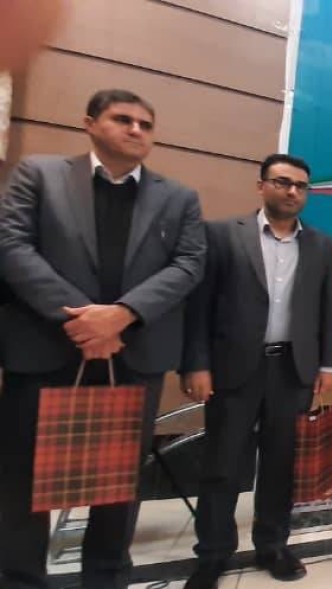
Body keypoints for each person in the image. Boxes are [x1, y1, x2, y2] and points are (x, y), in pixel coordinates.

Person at [0, 89, 206, 589]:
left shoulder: (178, 197)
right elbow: (11, 245)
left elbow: (188, 265)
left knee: (118, 482)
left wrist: (122, 316)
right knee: (25, 478)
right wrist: (82, 320)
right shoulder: (40, 175)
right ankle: (21, 578)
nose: (135, 130)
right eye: (122, 119)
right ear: (90, 123)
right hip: (46, 350)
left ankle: (108, 577)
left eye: (145, 124)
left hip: (132, 355)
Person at [181, 154, 332, 588]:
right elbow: (199, 307)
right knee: (222, 465)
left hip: (292, 369)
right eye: (283, 182)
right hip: (233, 369)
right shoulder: (222, 235)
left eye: (301, 186)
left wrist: (327, 365)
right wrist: (196, 364)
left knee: (280, 465)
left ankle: (272, 546)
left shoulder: (322, 245)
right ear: (261, 186)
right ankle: (212, 554)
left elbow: (328, 311)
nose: (292, 192)